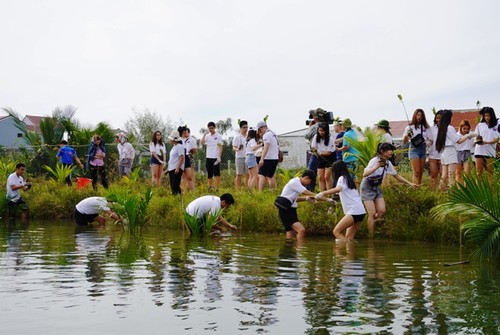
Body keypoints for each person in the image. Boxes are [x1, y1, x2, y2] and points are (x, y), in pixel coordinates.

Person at [360, 143, 418, 237]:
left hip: (377, 187)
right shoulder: (374, 161)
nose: (391, 152)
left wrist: (410, 183)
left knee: (381, 211)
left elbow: (396, 176)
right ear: (382, 151)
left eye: (391, 149)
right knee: (372, 213)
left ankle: (375, 228)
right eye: (389, 150)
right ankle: (371, 236)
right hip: (367, 187)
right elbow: (365, 174)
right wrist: (376, 167)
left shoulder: (388, 163)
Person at [315, 160, 365, 241]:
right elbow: (340, 194)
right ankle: (351, 250)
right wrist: (328, 199)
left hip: (353, 212)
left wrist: (322, 193)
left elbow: (338, 189)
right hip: (361, 212)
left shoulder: (342, 178)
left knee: (336, 232)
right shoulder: (349, 179)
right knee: (349, 238)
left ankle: (346, 247)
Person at [435, 110, 477, 191]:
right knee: (452, 175)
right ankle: (453, 194)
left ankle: (440, 192)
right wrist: (469, 135)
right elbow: (458, 141)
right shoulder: (449, 128)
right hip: (450, 151)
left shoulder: (441, 127)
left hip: (443, 152)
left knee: (444, 175)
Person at [275, 169, 317, 241]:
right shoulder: (295, 182)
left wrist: (306, 199)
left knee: (291, 234)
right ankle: (299, 250)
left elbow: (295, 199)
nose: (308, 184)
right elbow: (307, 192)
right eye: (309, 182)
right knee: (301, 230)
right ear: (306, 177)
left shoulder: (297, 184)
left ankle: (289, 251)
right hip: (286, 210)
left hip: (290, 210)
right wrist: (324, 197)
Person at [403, 108, 430, 185]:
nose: (419, 117)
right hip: (414, 149)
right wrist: (407, 135)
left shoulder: (425, 127)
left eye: (421, 116)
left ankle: (418, 188)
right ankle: (415, 188)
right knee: (416, 172)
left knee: (421, 172)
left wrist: (428, 142)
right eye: (418, 115)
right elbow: (404, 141)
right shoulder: (409, 127)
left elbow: (429, 138)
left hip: (423, 148)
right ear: (415, 115)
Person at [473, 106, 499, 180]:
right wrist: (478, 141)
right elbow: (476, 136)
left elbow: (497, 139)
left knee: (490, 173)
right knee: (478, 173)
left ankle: (490, 190)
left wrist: (487, 142)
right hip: (479, 150)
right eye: (485, 116)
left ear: (492, 115)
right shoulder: (480, 125)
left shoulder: (497, 125)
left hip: (490, 151)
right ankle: (478, 190)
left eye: (488, 115)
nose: (487, 117)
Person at [311, 122, 336, 191]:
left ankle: (330, 193)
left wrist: (319, 153)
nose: (321, 132)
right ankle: (322, 194)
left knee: (327, 177)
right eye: (320, 130)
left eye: (323, 131)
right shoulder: (316, 137)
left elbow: (328, 152)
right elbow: (313, 148)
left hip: (330, 158)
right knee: (320, 177)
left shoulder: (331, 139)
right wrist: (316, 152)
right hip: (320, 158)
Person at [257, 120, 280, 191]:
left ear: (262, 128)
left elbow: (266, 147)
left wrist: (262, 159)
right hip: (275, 158)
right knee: (270, 176)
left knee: (261, 175)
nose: (260, 132)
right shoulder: (274, 133)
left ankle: (260, 192)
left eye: (259, 130)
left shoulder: (266, 135)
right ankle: (272, 191)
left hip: (268, 158)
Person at [201, 121, 223, 192]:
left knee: (217, 173)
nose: (211, 129)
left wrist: (219, 156)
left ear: (214, 128)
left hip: (215, 157)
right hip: (208, 157)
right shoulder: (207, 136)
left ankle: (217, 188)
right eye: (210, 128)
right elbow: (202, 142)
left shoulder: (218, 136)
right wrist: (204, 134)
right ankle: (210, 187)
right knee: (209, 173)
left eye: (212, 128)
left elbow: (220, 146)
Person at [425, 111, 442, 191]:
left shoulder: (448, 128)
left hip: (443, 155)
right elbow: (428, 139)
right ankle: (433, 192)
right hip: (433, 155)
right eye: (437, 118)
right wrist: (428, 142)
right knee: (433, 175)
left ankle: (442, 192)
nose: (438, 120)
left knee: (443, 175)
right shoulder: (431, 129)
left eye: (440, 118)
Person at [166, 130, 185, 195]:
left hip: (176, 168)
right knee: (173, 185)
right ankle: (176, 197)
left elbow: (181, 157)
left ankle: (179, 197)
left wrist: (177, 168)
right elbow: (171, 160)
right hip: (171, 168)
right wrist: (168, 169)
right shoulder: (174, 147)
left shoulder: (180, 146)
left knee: (175, 185)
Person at [455, 120, 475, 184]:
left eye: (467, 129)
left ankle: (466, 188)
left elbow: (472, 144)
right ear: (460, 128)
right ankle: (459, 189)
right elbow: (457, 143)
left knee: (467, 174)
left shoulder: (470, 135)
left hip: (467, 152)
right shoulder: (457, 135)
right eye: (464, 128)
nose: (466, 130)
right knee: (458, 173)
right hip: (458, 153)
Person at [232, 120, 249, 190]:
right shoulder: (237, 137)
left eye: (246, 127)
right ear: (240, 128)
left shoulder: (249, 136)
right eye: (244, 127)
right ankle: (238, 189)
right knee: (239, 174)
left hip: (248, 157)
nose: (245, 129)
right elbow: (233, 147)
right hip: (239, 157)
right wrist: (237, 149)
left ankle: (247, 188)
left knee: (248, 174)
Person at [182, 127, 197, 192]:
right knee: (183, 175)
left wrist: (191, 151)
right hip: (182, 157)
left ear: (189, 132)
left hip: (189, 157)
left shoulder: (192, 140)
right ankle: (184, 189)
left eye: (186, 132)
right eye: (184, 132)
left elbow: (195, 150)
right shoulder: (181, 140)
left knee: (191, 175)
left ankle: (192, 189)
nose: (185, 133)